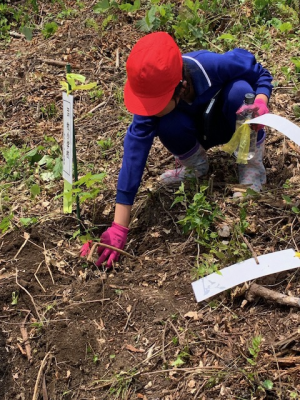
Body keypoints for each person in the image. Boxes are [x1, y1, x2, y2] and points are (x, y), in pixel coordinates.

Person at [93, 32, 273, 269]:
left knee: (242, 93)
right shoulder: (151, 104)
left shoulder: (213, 66)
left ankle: (250, 167)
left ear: (182, 87)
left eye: (156, 104)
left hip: (227, 120)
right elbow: (133, 156)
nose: (149, 111)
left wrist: (261, 99)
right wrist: (119, 227)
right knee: (168, 123)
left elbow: (260, 72)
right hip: (195, 129)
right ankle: (196, 166)